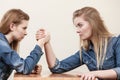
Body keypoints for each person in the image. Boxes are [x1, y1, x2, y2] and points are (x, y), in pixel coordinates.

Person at [36, 7, 120, 80]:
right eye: (76, 26)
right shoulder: (85, 52)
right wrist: (46, 42)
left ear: (93, 24)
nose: (77, 30)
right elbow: (57, 68)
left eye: (80, 25)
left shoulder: (116, 42)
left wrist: (94, 73)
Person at [0, 9, 46, 80]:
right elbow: (25, 68)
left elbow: (23, 67)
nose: (26, 33)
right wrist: (40, 43)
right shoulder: (1, 45)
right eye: (24, 28)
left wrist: (31, 67)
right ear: (12, 26)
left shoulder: (4, 44)